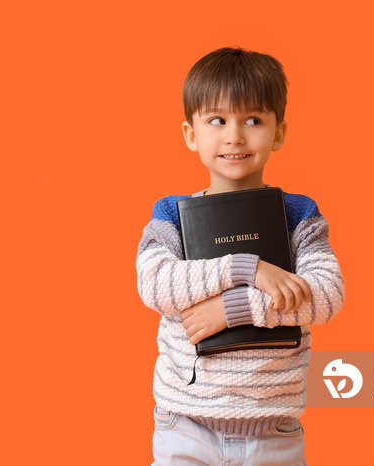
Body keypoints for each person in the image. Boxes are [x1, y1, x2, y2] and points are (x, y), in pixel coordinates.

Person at [135, 47, 345, 465]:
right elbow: (155, 284)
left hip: (273, 432)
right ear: (191, 134)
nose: (234, 135)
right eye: (217, 120)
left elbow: (326, 295)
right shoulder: (172, 215)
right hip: (186, 427)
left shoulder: (299, 214)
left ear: (278, 133)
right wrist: (247, 267)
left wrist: (233, 309)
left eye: (253, 120)